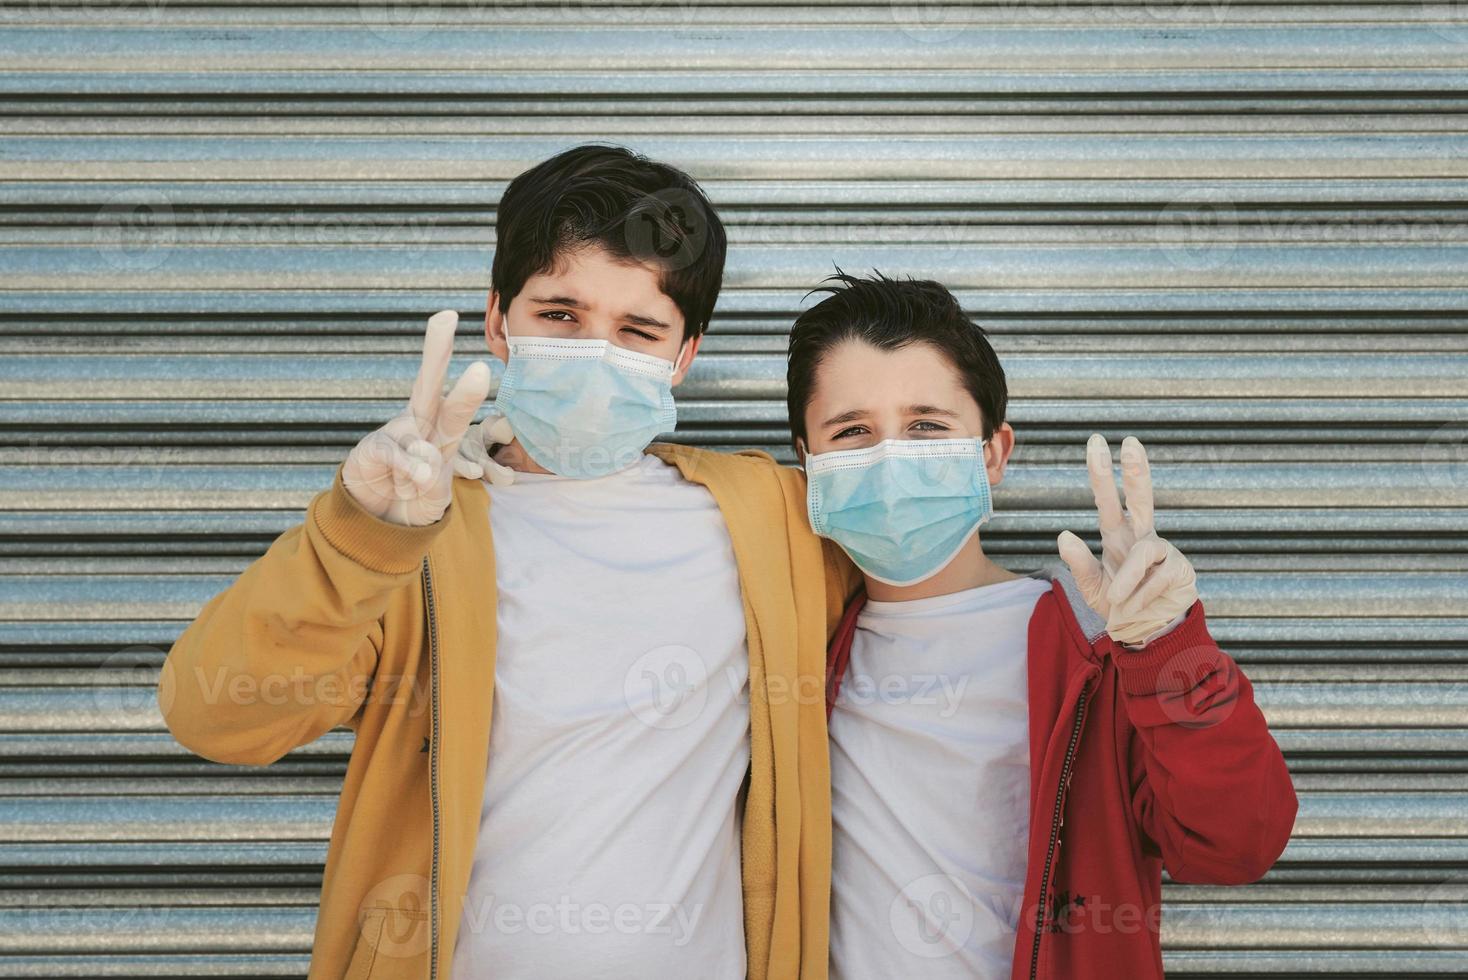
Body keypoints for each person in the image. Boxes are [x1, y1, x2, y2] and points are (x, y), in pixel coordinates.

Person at [158, 144, 857, 980]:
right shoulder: (419, 528)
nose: (596, 350)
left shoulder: (772, 520)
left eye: (637, 330)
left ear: (684, 356)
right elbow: (217, 718)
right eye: (560, 316)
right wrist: (359, 532)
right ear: (498, 320)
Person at [784, 270, 1298, 979]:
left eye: (926, 426)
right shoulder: (791, 650)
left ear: (993, 452)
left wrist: (1170, 650)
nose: (890, 457)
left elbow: (1238, 843)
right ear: (808, 466)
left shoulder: (1096, 650)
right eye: (853, 432)